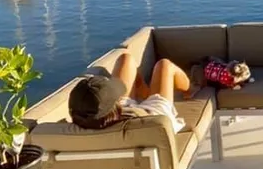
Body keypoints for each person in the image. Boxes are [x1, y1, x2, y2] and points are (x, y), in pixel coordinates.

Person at [68, 52, 197, 132]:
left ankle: (146, 93)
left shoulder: (64, 134)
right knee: (164, 65)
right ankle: (191, 90)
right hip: (147, 117)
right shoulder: (152, 125)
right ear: (113, 107)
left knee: (126, 59)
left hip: (113, 118)